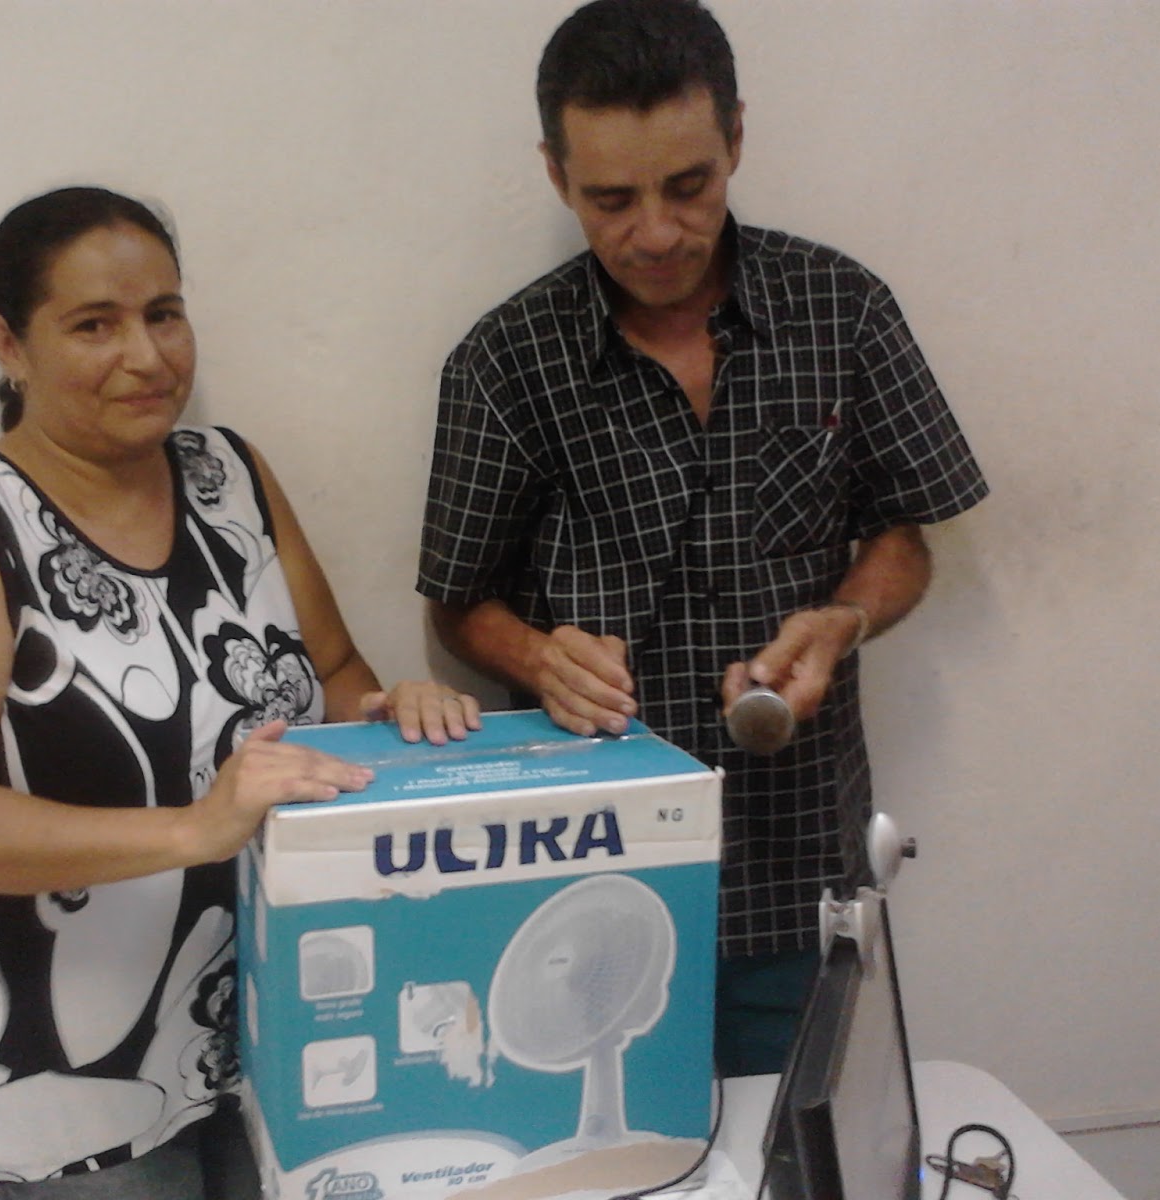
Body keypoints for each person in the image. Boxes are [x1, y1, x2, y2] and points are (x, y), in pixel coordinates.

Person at [0, 185, 481, 1199]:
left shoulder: (230, 477)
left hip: (280, 1040)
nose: (145, 355)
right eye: (94, 325)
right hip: (67, 1097)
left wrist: (390, 715)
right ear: (9, 344)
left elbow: (330, 674)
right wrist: (193, 829)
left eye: (163, 314)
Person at [417, 0, 988, 1077]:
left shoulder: (841, 308)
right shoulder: (505, 361)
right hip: (588, 886)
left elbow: (903, 534)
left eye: (688, 186)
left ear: (735, 139)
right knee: (608, 1148)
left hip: (796, 858)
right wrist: (538, 658)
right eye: (611, 199)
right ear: (556, 175)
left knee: (801, 1138)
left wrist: (842, 619)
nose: (655, 233)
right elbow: (457, 603)